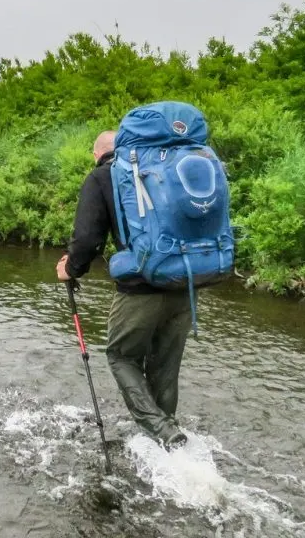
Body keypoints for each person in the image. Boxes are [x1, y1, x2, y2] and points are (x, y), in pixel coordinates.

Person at [56, 130, 191, 451]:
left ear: (96, 154)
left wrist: (70, 269)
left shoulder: (102, 176)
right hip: (186, 282)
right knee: (164, 364)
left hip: (141, 288)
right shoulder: (162, 171)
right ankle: (170, 445)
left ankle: (161, 431)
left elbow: (88, 239)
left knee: (120, 356)